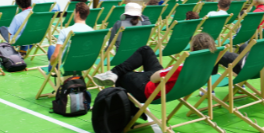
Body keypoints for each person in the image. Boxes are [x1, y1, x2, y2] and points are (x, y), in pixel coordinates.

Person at [92, 33, 222, 102]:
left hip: (150, 90)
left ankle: (115, 74)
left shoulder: (181, 67)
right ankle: (113, 73)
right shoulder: (206, 66)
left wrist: (147, 73)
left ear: (192, 49)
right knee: (145, 50)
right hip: (168, 86)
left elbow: (154, 78)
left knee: (124, 76)